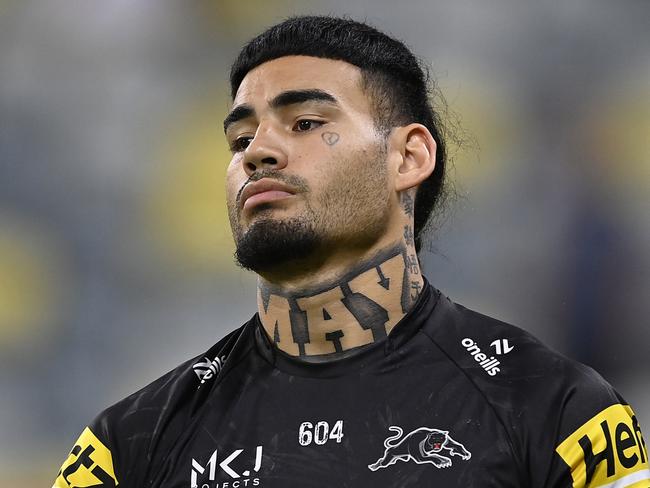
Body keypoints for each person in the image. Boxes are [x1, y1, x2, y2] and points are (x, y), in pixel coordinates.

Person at [53, 15, 648, 488]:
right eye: (240, 138)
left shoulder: (559, 412)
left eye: (306, 122)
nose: (257, 151)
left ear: (408, 158)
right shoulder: (126, 445)